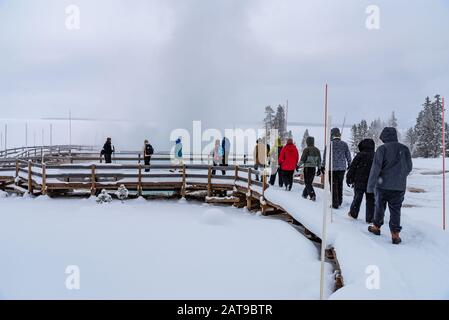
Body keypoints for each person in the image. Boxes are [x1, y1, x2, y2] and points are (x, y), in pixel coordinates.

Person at [367, 127, 413, 245]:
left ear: (384, 137)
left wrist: (370, 186)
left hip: (383, 186)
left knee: (379, 207)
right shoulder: (404, 149)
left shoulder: (382, 149)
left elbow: (375, 169)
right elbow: (409, 167)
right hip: (399, 187)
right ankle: (395, 234)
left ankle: (376, 227)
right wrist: (400, 177)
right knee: (396, 210)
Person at [346, 138, 375, 222]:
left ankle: (353, 213)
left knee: (357, 197)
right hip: (371, 181)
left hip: (359, 180)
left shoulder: (360, 155)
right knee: (370, 200)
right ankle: (370, 218)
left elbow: (353, 167)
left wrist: (349, 177)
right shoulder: (376, 155)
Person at [322, 128, 352, 209]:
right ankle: (339, 201)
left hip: (332, 169)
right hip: (342, 168)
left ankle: (335, 203)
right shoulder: (344, 144)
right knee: (340, 185)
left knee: (333, 185)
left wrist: (323, 166)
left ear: (331, 135)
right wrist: (350, 164)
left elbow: (325, 157)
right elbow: (348, 156)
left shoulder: (329, 145)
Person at [298, 136, 321, 201]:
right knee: (309, 182)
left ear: (307, 142)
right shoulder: (317, 150)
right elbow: (319, 161)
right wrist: (319, 168)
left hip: (307, 168)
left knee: (307, 183)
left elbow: (302, 160)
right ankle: (304, 194)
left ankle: (312, 195)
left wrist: (297, 166)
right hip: (313, 168)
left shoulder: (306, 149)